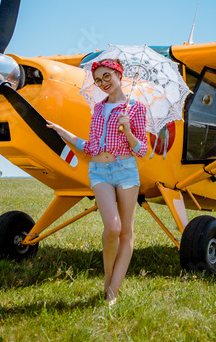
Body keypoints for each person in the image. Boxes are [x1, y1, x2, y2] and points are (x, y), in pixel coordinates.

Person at [47, 59, 148, 305]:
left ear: (118, 74)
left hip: (125, 171)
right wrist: (64, 133)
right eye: (98, 80)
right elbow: (91, 146)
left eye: (107, 77)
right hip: (99, 171)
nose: (103, 83)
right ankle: (108, 276)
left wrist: (128, 131)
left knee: (126, 232)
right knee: (112, 228)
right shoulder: (98, 109)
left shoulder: (136, 108)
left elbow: (143, 150)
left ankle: (112, 291)